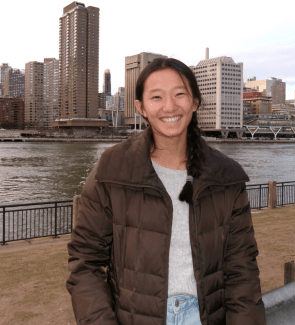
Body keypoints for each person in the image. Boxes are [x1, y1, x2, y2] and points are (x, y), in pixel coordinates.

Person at [66, 58, 266, 325]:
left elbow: (242, 269)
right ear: (141, 108)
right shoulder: (113, 169)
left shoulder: (225, 176)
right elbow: (85, 262)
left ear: (194, 102)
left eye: (180, 94)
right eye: (157, 97)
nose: (170, 106)